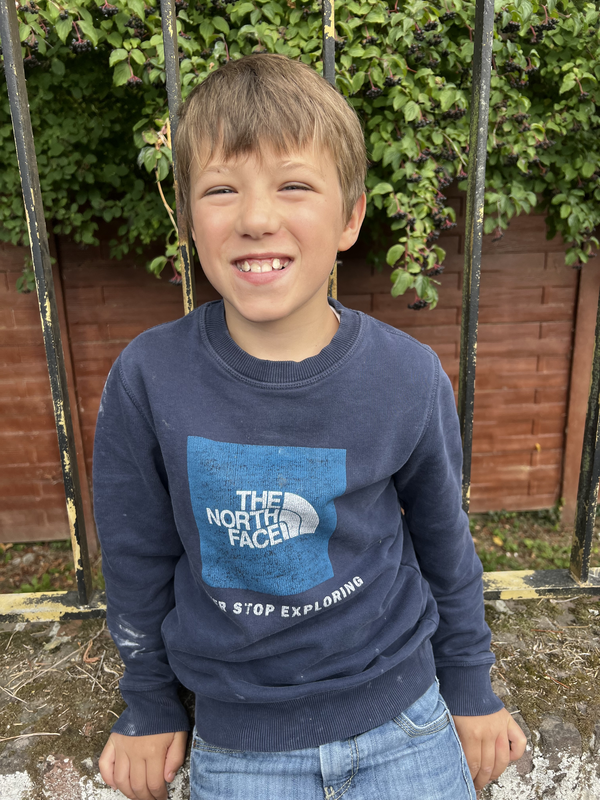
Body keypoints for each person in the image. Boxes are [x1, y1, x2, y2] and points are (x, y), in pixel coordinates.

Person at [94, 53, 526, 800]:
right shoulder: (147, 376)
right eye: (221, 189)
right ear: (189, 219)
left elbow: (443, 541)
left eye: (293, 185)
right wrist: (150, 703)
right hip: (240, 744)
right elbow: (136, 559)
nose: (256, 218)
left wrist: (470, 685)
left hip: (406, 720)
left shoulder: (406, 374)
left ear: (350, 217)